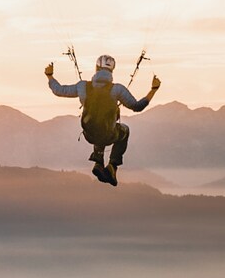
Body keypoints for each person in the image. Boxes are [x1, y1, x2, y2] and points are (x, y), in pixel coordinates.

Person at [46, 53, 161, 186]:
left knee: (96, 124)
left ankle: (98, 162)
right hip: (109, 134)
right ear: (112, 70)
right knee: (123, 130)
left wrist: (49, 76)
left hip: (89, 135)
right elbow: (137, 107)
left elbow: (59, 90)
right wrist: (153, 90)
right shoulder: (117, 89)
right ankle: (112, 166)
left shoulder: (83, 86)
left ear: (96, 68)